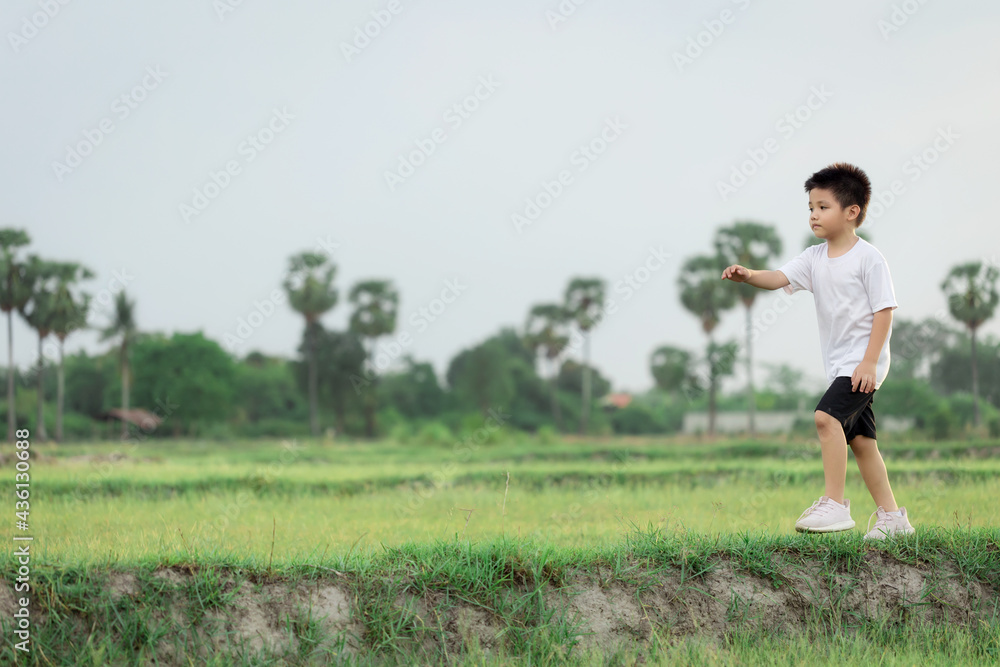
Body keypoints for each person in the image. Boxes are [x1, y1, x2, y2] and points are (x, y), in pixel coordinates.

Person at [721, 162, 915, 539]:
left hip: (862, 365)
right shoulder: (813, 258)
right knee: (861, 442)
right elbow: (778, 277)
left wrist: (870, 362)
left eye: (823, 207)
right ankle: (894, 520)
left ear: (851, 211)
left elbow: (884, 311)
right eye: (810, 207)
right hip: (841, 365)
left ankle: (834, 505)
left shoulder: (868, 258)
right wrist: (748, 275)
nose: (814, 215)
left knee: (826, 419)